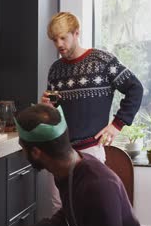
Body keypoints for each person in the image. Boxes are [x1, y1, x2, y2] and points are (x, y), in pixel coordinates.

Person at [41, 12, 144, 212]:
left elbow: (135, 89)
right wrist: (47, 107)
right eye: (55, 40)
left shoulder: (102, 61)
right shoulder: (55, 69)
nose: (59, 44)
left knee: (90, 209)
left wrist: (117, 125)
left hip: (90, 151)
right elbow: (56, 114)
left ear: (76, 33)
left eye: (63, 37)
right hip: (59, 150)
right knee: (59, 208)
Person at [15, 104, 142, 226]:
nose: (23, 152)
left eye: (23, 147)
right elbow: (67, 218)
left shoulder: (98, 187)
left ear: (36, 152)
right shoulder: (68, 170)